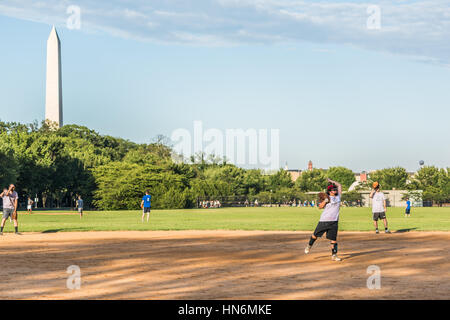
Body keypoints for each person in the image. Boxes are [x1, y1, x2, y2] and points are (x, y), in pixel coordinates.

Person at [305, 178, 343, 261]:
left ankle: (334, 255)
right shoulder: (327, 198)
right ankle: (309, 245)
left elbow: (339, 185)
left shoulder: (338, 197)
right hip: (324, 221)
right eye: (333, 189)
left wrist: (332, 181)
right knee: (315, 236)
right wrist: (325, 201)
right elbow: (320, 207)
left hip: (334, 221)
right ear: (329, 191)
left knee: (333, 239)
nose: (335, 190)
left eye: (335, 189)